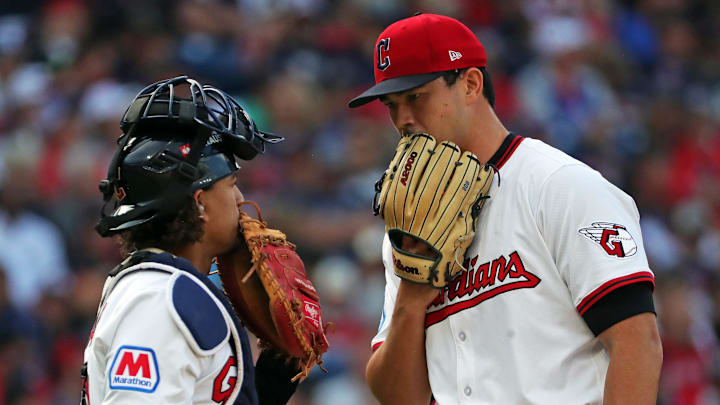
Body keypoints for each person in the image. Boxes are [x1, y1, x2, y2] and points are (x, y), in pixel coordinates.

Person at [349, 13, 662, 405]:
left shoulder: (559, 186)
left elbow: (637, 344)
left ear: (470, 84)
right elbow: (399, 396)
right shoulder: (409, 226)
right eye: (391, 105)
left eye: (416, 96)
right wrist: (410, 302)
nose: (403, 120)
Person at [82, 76, 299, 404]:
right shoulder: (159, 298)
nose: (240, 199)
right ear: (199, 202)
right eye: (231, 183)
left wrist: (271, 383)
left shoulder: (163, 288)